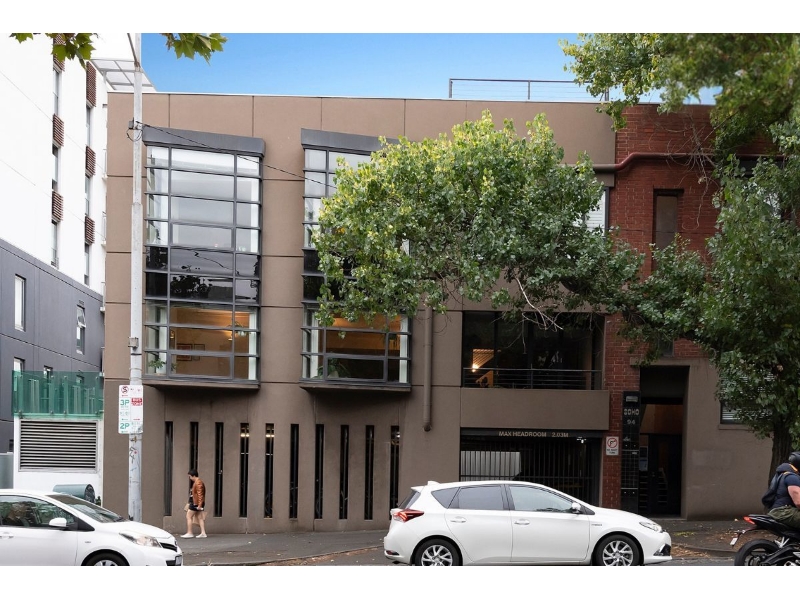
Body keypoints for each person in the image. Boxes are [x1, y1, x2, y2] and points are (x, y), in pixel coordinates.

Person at [768, 451, 800, 529]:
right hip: (783, 511)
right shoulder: (792, 477)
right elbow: (798, 502)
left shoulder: (785, 474)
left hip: (782, 511)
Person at [182, 469, 207, 538]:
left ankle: (190, 532)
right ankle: (203, 533)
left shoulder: (198, 483)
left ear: (193, 476)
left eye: (190, 476)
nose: (190, 478)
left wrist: (199, 505)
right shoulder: (198, 482)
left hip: (195, 503)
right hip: (198, 503)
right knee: (200, 517)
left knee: (188, 516)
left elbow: (200, 494)